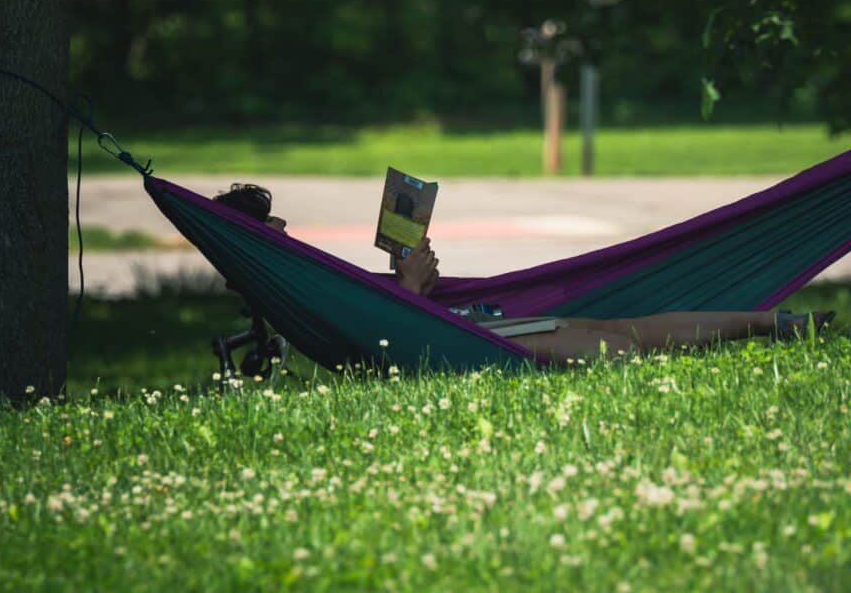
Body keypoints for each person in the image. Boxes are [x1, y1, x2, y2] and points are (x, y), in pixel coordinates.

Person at [213, 183, 836, 363]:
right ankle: (775, 326)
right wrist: (409, 291)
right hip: (461, 334)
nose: (289, 238)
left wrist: (407, 282)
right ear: (261, 252)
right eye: (278, 237)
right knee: (623, 347)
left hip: (471, 322)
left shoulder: (300, 287)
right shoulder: (297, 293)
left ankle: (777, 323)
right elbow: (384, 342)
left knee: (633, 334)